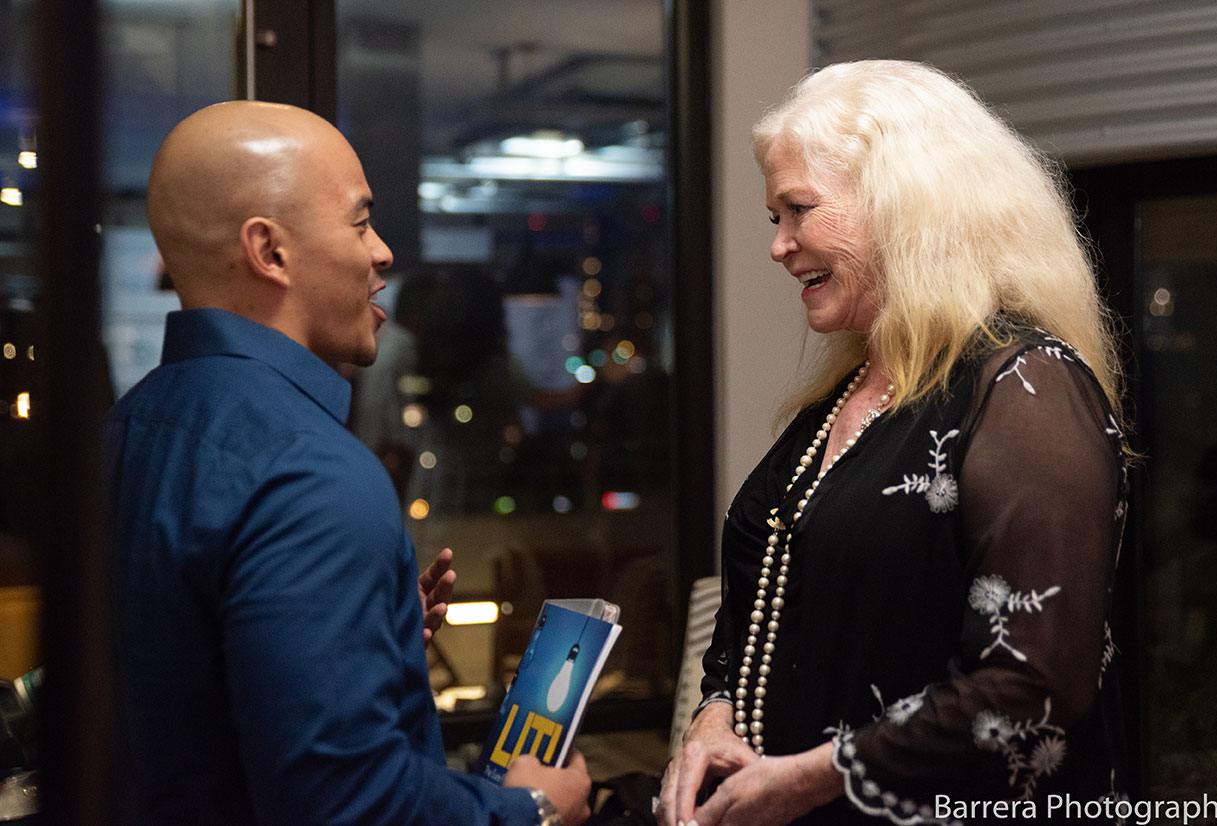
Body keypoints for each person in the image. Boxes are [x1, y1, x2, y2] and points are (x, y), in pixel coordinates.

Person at [658, 60, 1130, 826]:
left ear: (904, 206)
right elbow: (773, 599)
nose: (779, 245)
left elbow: (1034, 680)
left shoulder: (1024, 388)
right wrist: (716, 714)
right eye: (772, 218)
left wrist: (813, 777)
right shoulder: (842, 397)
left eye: (797, 209)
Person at [105, 100, 592, 826]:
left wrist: (367, 638)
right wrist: (530, 810)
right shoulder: (311, 475)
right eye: (360, 221)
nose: (382, 251)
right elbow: (348, 803)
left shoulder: (126, 429)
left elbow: (174, 674)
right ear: (270, 251)